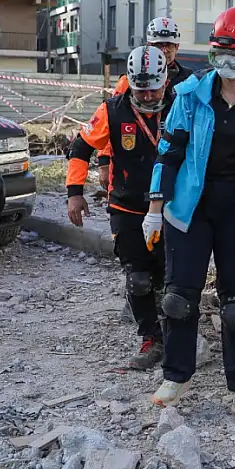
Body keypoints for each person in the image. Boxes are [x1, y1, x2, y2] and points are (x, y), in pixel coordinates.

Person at [143, 7, 235, 417]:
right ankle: (175, 376)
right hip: (190, 208)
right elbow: (167, 155)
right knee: (178, 298)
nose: (228, 64)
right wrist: (154, 207)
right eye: (221, 53)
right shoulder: (190, 97)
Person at [66, 45, 172, 370]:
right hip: (126, 205)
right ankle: (150, 338)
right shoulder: (113, 110)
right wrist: (74, 193)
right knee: (138, 278)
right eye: (141, 90)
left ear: (165, 81)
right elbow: (81, 145)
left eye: (154, 89)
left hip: (172, 207)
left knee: (172, 278)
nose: (149, 96)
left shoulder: (182, 107)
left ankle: (179, 337)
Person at [97, 17, 192, 189]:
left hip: (175, 160)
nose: (164, 50)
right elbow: (112, 121)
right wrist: (104, 161)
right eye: (158, 45)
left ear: (177, 46)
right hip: (132, 158)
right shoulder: (129, 80)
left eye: (169, 45)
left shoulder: (189, 81)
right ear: (148, 45)